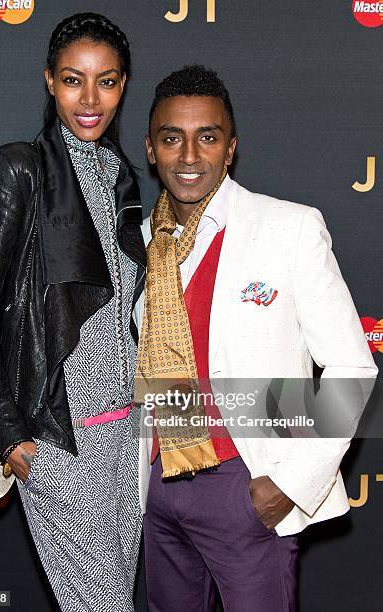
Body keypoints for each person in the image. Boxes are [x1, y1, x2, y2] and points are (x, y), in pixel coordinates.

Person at [133, 65, 378, 611]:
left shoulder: (287, 228)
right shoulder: (146, 240)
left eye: (208, 138)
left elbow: (354, 370)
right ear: (152, 149)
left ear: (231, 148)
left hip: (245, 485)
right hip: (157, 486)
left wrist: (287, 485)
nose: (190, 156)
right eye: (173, 139)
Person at [0, 12, 145, 612]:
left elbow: (129, 318)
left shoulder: (122, 178)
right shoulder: (18, 169)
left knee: (114, 599)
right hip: (58, 438)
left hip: (127, 437)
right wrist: (11, 435)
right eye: (73, 80)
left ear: (123, 85)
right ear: (48, 81)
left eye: (107, 81)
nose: (90, 99)